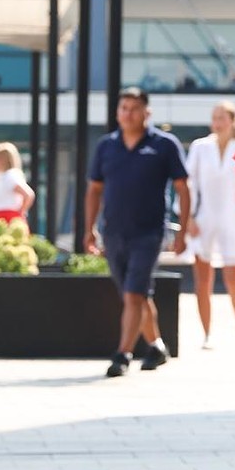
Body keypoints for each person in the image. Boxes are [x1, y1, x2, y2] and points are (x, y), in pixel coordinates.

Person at [84, 88, 189, 378]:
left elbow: (182, 186)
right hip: (114, 232)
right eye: (123, 108)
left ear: (147, 112)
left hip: (150, 232)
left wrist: (184, 231)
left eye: (134, 108)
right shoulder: (107, 146)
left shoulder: (164, 145)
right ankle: (156, 346)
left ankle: (122, 355)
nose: (127, 114)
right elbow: (94, 189)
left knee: (133, 294)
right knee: (138, 295)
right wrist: (89, 229)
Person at [186, 102, 235, 351]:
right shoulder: (200, 148)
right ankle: (206, 334)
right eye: (214, 117)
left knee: (233, 278)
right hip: (204, 219)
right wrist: (189, 218)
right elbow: (189, 184)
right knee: (202, 280)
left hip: (234, 220)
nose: (217, 122)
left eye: (221, 117)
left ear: (232, 120)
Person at [0, 142, 35, 223]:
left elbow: (28, 195)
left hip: (8, 219)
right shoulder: (0, 176)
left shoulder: (10, 175)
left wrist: (21, 212)